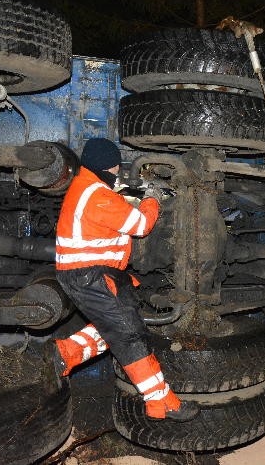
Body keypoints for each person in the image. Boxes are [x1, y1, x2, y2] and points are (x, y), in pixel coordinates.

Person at [45, 138, 199, 422]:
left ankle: (64, 354)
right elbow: (141, 226)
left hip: (85, 274)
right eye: (116, 168)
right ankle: (161, 402)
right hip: (92, 275)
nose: (118, 173)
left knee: (113, 327)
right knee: (130, 335)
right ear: (108, 166)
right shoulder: (97, 195)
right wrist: (152, 198)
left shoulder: (87, 186)